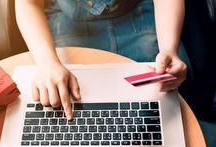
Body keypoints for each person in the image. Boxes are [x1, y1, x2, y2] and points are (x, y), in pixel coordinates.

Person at [15, 0, 190, 120]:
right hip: (70, 21)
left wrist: (169, 48)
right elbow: (28, 3)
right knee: (68, 106)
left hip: (138, 14)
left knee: (165, 104)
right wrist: (48, 63)